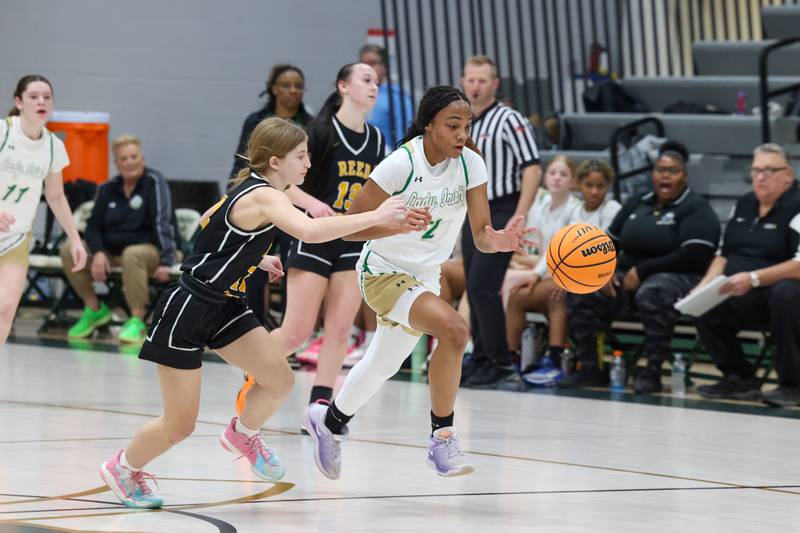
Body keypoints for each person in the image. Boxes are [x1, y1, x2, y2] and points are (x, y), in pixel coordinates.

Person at [98, 117, 415, 509]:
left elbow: (209, 220)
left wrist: (252, 256)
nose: (308, 164)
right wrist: (377, 217)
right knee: (180, 425)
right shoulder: (266, 196)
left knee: (280, 380)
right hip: (190, 307)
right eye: (301, 156)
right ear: (275, 161)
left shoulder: (258, 190)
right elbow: (310, 232)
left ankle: (242, 433)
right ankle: (123, 467)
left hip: (227, 305)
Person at [304, 86, 530, 481]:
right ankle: (442, 438)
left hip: (426, 275)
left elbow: (481, 236)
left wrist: (501, 241)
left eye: (467, 126)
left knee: (383, 365)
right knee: (455, 330)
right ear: (429, 125)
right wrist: (392, 223)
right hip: (383, 271)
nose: (462, 134)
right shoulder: (401, 164)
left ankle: (329, 421)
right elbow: (349, 228)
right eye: (453, 125)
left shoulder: (471, 164)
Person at [238, 63, 387, 412]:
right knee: (296, 332)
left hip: (353, 238)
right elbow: (281, 184)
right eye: (366, 80)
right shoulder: (318, 131)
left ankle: (320, 404)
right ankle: (253, 370)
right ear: (343, 86)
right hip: (314, 235)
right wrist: (314, 204)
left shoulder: (378, 140)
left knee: (339, 329)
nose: (374, 87)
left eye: (377, 82)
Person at [559, 141, 720, 394]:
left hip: (679, 278)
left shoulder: (695, 208)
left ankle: (652, 371)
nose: (665, 176)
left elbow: (695, 255)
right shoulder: (638, 202)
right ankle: (590, 368)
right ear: (652, 174)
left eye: (673, 171)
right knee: (582, 287)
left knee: (653, 291)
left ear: (684, 176)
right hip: (628, 279)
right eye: (660, 170)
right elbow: (608, 242)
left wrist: (643, 271)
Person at [458, 55, 542, 388]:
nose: (476, 86)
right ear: (462, 82)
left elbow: (532, 167)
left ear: (494, 84)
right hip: (474, 209)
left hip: (504, 207)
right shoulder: (462, 121)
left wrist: (519, 216)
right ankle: (481, 358)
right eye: (471, 80)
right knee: (473, 286)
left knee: (484, 286)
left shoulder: (509, 119)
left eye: (482, 81)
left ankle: (501, 363)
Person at [695, 143, 800, 407]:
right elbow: (724, 253)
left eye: (769, 170)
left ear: (788, 174)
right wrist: (705, 284)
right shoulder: (744, 203)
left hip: (777, 294)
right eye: (755, 170)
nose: (760, 177)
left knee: (786, 294)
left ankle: (793, 384)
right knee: (702, 301)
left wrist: (753, 278)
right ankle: (739, 377)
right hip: (740, 289)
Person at [60, 134, 178, 343]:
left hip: (152, 250)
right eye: (124, 158)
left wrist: (167, 260)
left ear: (142, 158)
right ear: (116, 163)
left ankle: (137, 320)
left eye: (134, 157)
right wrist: (98, 252)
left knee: (132, 254)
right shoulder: (107, 188)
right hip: (112, 252)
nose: (130, 162)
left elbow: (163, 222)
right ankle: (94, 309)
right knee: (70, 248)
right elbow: (93, 226)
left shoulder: (154, 182)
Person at [0, 74, 86, 343]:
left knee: (6, 307)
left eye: (47, 97)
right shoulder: (3, 132)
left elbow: (56, 196)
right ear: (19, 102)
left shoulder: (53, 146)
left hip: (16, 237)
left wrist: (75, 238)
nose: (41, 102)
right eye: (34, 96)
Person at [231, 64, 314, 326]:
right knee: (254, 263)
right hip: (261, 201)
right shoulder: (256, 121)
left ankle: (290, 326)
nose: (293, 90)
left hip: (294, 205)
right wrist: (233, 198)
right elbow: (243, 163)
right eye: (287, 85)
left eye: (299, 86)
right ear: (274, 89)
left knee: (295, 263)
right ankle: (253, 323)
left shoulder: (311, 123)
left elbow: (311, 170)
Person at [500, 156, 583, 385]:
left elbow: (560, 248)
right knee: (516, 296)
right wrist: (522, 261)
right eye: (553, 173)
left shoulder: (576, 210)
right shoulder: (541, 206)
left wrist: (536, 272)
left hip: (569, 274)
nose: (557, 178)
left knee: (556, 295)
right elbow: (530, 243)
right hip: (545, 269)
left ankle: (554, 360)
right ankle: (510, 358)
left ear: (573, 181)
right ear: (545, 178)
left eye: (563, 174)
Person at [359, 44, 413, 148]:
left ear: (385, 67)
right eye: (363, 64)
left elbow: (405, 134)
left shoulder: (397, 97)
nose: (366, 68)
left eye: (372, 63)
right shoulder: (354, 94)